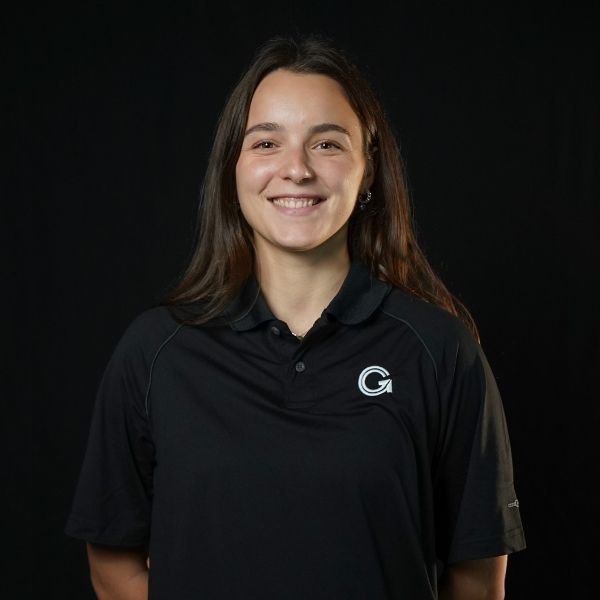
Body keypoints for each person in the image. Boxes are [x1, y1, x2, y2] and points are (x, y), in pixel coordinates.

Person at [65, 34, 526, 600]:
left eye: (327, 144)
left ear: (368, 169)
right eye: (266, 143)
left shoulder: (440, 350)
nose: (296, 169)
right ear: (233, 168)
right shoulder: (156, 351)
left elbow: (478, 580)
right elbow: (112, 567)